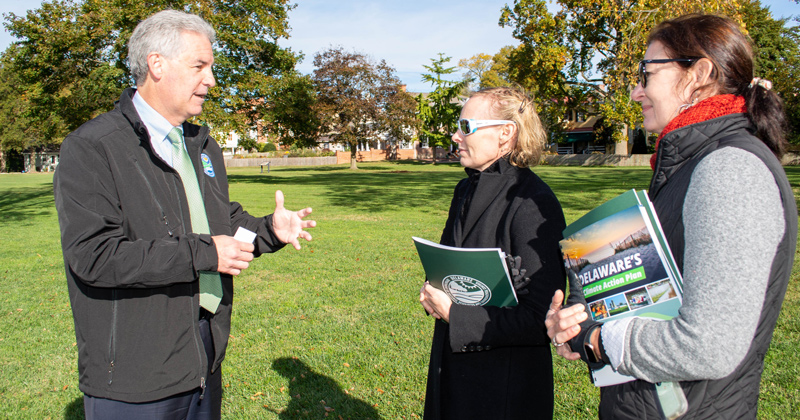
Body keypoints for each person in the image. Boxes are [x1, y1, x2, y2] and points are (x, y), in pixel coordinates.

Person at [53, 10, 315, 419]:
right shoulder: (93, 147)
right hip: (134, 376)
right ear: (157, 64)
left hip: (202, 353)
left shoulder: (202, 145)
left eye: (211, 67)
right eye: (200, 66)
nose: (211, 80)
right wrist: (204, 254)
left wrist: (268, 231)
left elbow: (219, 222)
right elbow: (95, 256)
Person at [545, 14, 797, 419]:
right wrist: (581, 321)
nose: (634, 92)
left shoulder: (728, 168)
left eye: (646, 73)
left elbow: (707, 345)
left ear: (699, 73)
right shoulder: (689, 165)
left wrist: (598, 339)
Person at [419, 87, 566, 419]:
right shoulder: (465, 189)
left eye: (466, 127)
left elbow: (540, 316)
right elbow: (446, 265)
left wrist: (455, 315)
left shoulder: (533, 203)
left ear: (505, 134)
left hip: (503, 388)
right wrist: (432, 289)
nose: (455, 136)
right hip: (453, 371)